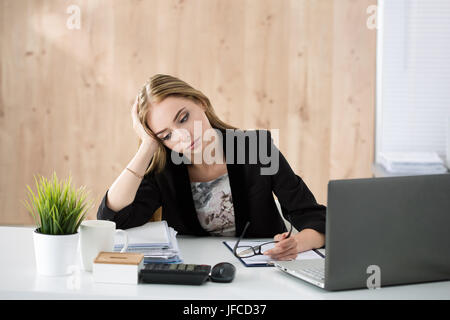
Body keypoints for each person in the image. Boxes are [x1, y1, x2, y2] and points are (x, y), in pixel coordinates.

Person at [97, 74, 326, 261]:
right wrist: (147, 146)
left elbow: (314, 217)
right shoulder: (164, 168)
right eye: (167, 135)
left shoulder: (256, 149)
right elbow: (112, 220)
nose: (183, 136)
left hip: (263, 270)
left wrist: (296, 244)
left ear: (201, 102)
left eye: (184, 118)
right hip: (198, 275)